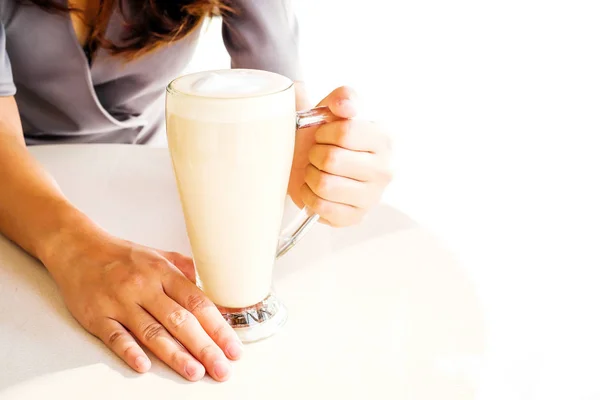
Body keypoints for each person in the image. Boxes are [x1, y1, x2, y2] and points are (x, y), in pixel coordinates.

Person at [0, 0, 392, 383]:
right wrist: (73, 247)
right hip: (21, 204)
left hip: (158, 184)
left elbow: (279, 100)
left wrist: (326, 168)